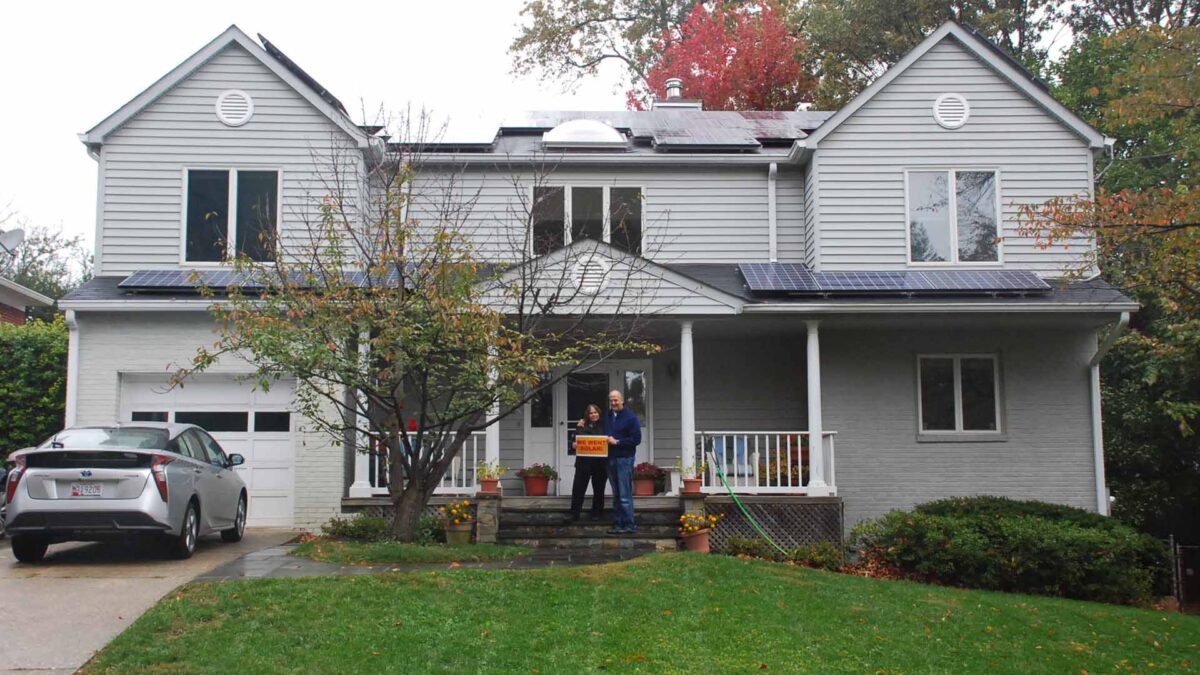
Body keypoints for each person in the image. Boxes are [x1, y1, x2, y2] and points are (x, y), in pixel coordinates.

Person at [604, 389, 641, 535]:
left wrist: (617, 442)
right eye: (611, 400)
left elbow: (636, 440)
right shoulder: (608, 416)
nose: (613, 402)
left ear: (622, 400)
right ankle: (618, 525)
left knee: (625, 494)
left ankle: (629, 525)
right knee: (616, 494)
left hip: (624, 459)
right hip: (610, 459)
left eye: (616, 400)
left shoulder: (630, 418)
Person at [568, 404, 607, 523]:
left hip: (599, 464)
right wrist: (573, 444)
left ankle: (597, 513)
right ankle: (574, 513)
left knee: (599, 489)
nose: (593, 415)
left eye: (595, 412)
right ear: (587, 415)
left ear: (599, 413)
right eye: (591, 413)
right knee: (578, 489)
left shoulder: (605, 425)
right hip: (583, 463)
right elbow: (574, 442)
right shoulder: (581, 426)